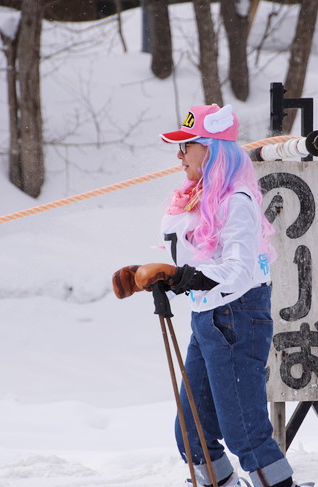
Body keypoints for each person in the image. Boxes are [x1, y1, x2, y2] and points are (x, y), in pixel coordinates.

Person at [112, 104, 306, 487]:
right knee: (192, 435)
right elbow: (195, 263)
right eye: (180, 146)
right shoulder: (195, 199)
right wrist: (151, 276)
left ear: (213, 149)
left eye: (188, 145)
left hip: (237, 315)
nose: (179, 155)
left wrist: (178, 275)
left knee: (244, 434)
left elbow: (235, 270)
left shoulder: (236, 201)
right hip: (208, 318)